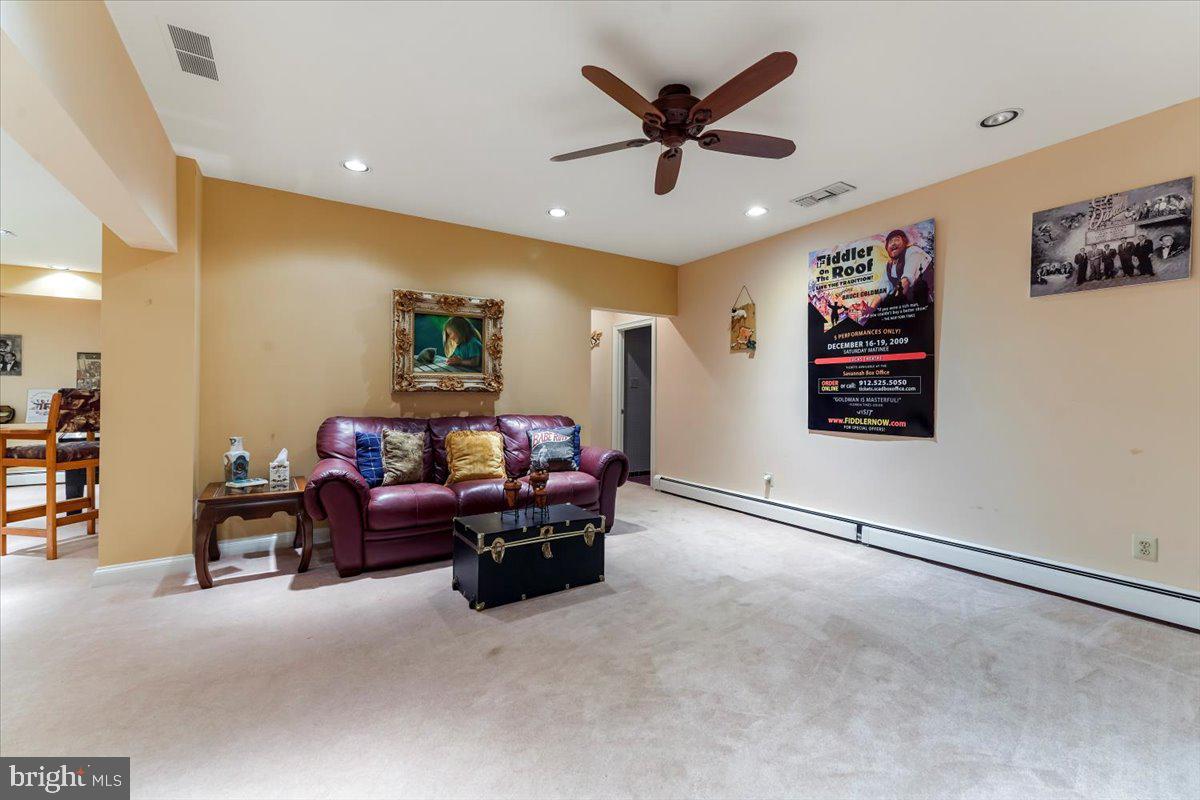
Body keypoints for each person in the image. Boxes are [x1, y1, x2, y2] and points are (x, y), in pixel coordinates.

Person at [883, 229, 933, 303]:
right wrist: (869, 309)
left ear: (905, 242)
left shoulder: (913, 252)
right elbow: (881, 292)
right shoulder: (889, 266)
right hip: (910, 307)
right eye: (890, 242)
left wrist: (894, 307)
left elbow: (905, 281)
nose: (893, 243)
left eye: (897, 239)